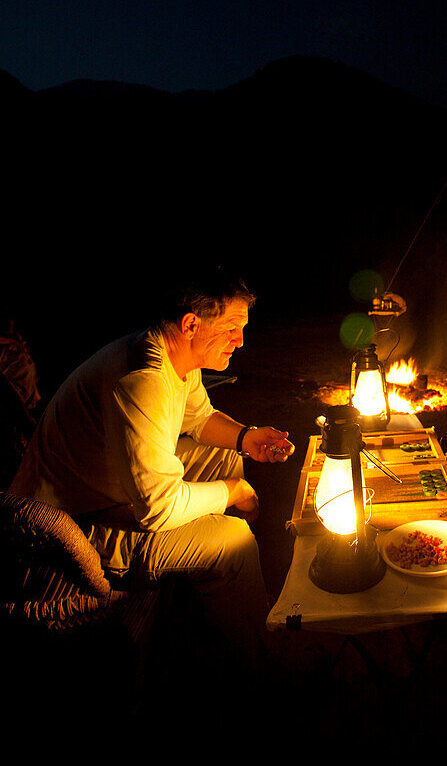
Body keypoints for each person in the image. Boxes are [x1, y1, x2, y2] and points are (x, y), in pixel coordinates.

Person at [10, 265, 295, 664]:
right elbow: (157, 507)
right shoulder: (144, 379)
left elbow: (197, 418)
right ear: (192, 324)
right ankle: (261, 656)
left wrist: (247, 438)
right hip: (75, 532)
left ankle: (222, 599)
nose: (241, 341)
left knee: (224, 455)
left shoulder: (174, 353)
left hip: (105, 488)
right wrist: (234, 492)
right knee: (234, 542)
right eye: (232, 328)